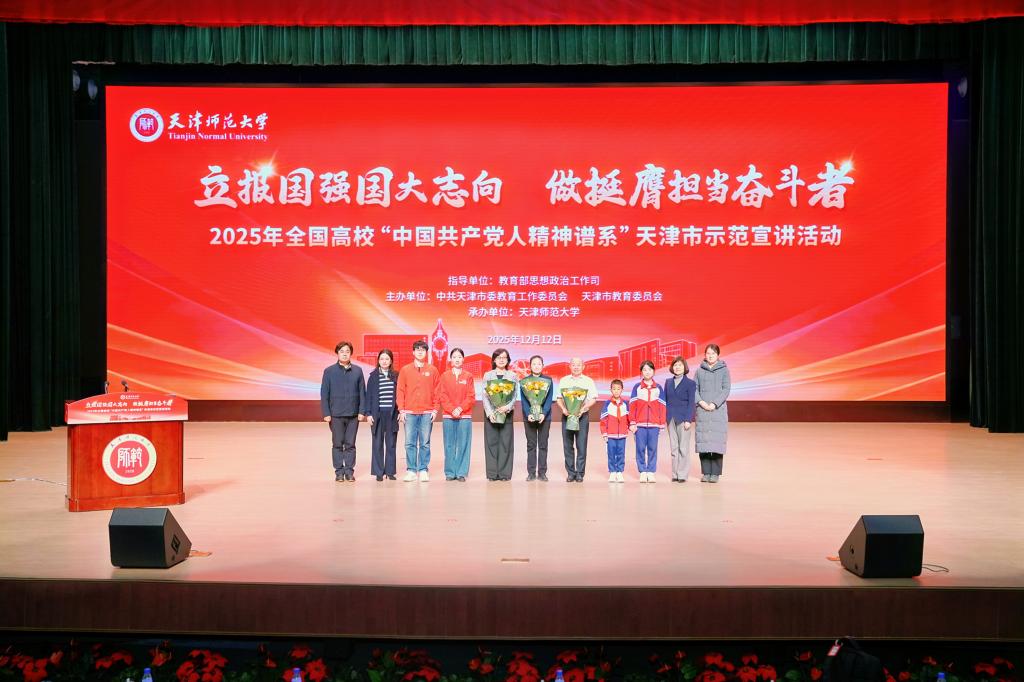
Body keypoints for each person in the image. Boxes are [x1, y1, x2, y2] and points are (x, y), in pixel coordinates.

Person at [320, 341, 366, 482]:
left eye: (347, 351)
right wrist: (326, 413)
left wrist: (362, 411)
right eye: (342, 351)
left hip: (353, 414)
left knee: (350, 444)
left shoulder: (357, 371)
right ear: (337, 353)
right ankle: (339, 472)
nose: (345, 354)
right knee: (337, 444)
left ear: (351, 353)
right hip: (336, 414)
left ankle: (349, 471)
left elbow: (362, 392)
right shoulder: (329, 371)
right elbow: (324, 393)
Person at [396, 339, 440, 482]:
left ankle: (423, 469)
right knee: (410, 442)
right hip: (409, 412)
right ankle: (411, 470)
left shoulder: (433, 370)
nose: (420, 352)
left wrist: (435, 410)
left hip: (427, 413)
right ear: (413, 352)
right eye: (417, 349)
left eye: (423, 350)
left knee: (425, 443)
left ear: (426, 352)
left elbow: (437, 391)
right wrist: (401, 410)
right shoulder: (405, 370)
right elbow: (400, 390)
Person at [555, 357, 598, 482]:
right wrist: (563, 409)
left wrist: (584, 408)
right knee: (567, 446)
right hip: (567, 416)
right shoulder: (564, 380)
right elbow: (559, 398)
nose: (576, 367)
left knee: (581, 445)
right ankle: (570, 473)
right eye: (573, 365)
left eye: (578, 365)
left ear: (583, 366)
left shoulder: (588, 381)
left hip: (582, 416)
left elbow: (593, 398)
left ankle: (580, 473)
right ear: (570, 366)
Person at [694, 344, 731, 483]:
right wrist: (701, 402)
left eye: (713, 353)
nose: (710, 356)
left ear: (718, 355)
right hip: (702, 409)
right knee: (703, 442)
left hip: (717, 410)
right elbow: (694, 389)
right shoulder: (699, 371)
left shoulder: (724, 370)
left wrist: (714, 404)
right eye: (708, 353)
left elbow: (726, 389)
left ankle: (715, 473)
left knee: (716, 442)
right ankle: (706, 472)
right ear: (704, 355)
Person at [439, 347, 475, 482]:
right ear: (451, 359)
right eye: (454, 357)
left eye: (459, 357)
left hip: (464, 416)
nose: (457, 359)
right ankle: (450, 472)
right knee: (449, 444)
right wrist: (451, 409)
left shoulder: (468, 376)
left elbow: (471, 396)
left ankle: (461, 472)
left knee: (463, 444)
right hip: (448, 415)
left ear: (463, 359)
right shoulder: (444, 376)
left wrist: (460, 409)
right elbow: (442, 395)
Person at [363, 349, 399, 481]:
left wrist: (400, 411)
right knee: (377, 443)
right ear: (378, 360)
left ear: (391, 361)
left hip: (391, 414)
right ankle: (379, 472)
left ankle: (390, 471)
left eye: (387, 359)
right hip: (377, 414)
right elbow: (368, 397)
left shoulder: (396, 375)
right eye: (382, 359)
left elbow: (400, 394)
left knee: (391, 444)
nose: (384, 361)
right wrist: (368, 414)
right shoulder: (373, 376)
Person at [482, 348, 518, 481]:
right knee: (491, 443)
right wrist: (489, 412)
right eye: (499, 357)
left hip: (506, 413)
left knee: (505, 443)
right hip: (491, 414)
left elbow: (514, 395)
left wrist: (507, 407)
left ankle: (504, 474)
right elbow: (484, 396)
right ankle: (492, 474)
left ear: (508, 360)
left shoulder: (512, 376)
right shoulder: (488, 375)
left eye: (504, 357)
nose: (501, 360)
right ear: (494, 360)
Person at [629, 360, 666, 483]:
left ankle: (650, 471)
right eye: (644, 370)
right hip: (639, 425)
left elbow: (662, 407)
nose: (647, 372)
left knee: (652, 448)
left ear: (653, 371)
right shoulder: (637, 387)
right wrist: (632, 422)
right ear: (641, 372)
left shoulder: (659, 388)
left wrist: (661, 423)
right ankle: (642, 471)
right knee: (640, 448)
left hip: (654, 425)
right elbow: (632, 406)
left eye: (649, 369)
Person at [520, 355, 553, 482]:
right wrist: (528, 413)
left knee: (543, 445)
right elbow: (524, 400)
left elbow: (549, 399)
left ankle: (542, 472)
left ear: (543, 366)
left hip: (545, 417)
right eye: (534, 364)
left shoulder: (548, 380)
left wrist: (543, 413)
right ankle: (531, 472)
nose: (537, 366)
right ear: (530, 366)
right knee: (531, 445)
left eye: (539, 364)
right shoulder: (524, 381)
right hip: (529, 417)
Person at [663, 356, 697, 483]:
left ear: (685, 367)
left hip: (683, 419)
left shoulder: (690, 383)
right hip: (670, 418)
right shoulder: (668, 382)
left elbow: (691, 403)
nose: (677, 367)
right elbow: (665, 401)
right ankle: (675, 474)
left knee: (683, 448)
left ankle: (682, 474)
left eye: (680, 365)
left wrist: (688, 419)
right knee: (674, 448)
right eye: (675, 365)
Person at [599, 379, 630, 483]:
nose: (616, 391)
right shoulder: (607, 404)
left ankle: (619, 472)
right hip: (610, 434)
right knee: (611, 453)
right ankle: (612, 472)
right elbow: (603, 420)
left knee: (621, 453)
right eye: (614, 389)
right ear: (611, 390)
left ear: (622, 390)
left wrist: (629, 428)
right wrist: (604, 433)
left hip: (622, 434)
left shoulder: (625, 404)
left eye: (618, 389)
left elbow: (629, 418)